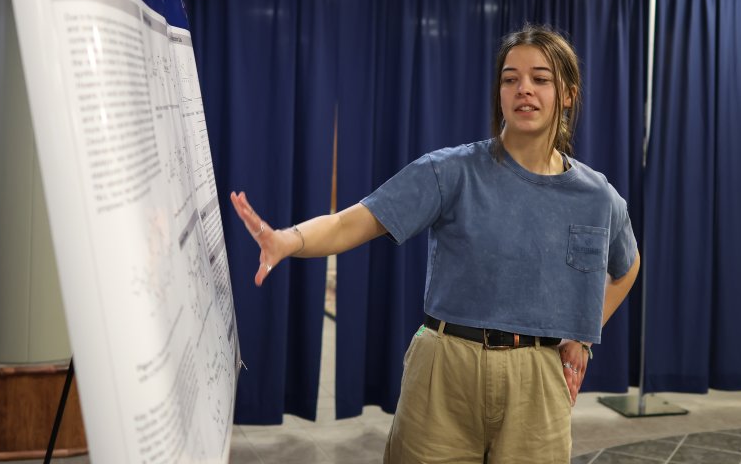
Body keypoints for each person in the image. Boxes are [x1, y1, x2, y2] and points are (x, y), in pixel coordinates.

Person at [230, 24, 641, 463]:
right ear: (499, 93)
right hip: (445, 368)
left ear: (568, 94)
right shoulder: (451, 171)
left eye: (541, 79)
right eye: (510, 78)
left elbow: (627, 266)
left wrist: (582, 333)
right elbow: (353, 222)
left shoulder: (596, 196)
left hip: (538, 381)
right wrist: (287, 240)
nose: (524, 89)